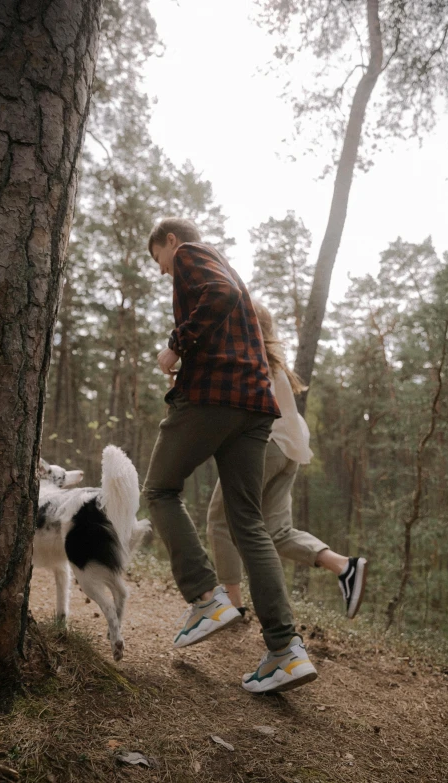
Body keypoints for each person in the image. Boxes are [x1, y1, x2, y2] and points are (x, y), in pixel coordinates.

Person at [144, 218, 317, 694]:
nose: (162, 270)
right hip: (256, 406)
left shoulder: (191, 254)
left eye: (156, 257)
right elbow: (225, 297)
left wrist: (175, 345)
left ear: (170, 241)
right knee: (249, 523)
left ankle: (206, 598)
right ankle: (285, 650)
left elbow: (215, 293)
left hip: (213, 395)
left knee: (159, 489)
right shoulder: (226, 267)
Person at [207, 301, 368, 620]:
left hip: (265, 446)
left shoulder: (248, 358)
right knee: (276, 530)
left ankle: (232, 602)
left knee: (220, 518)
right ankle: (344, 566)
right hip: (289, 449)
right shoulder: (272, 362)